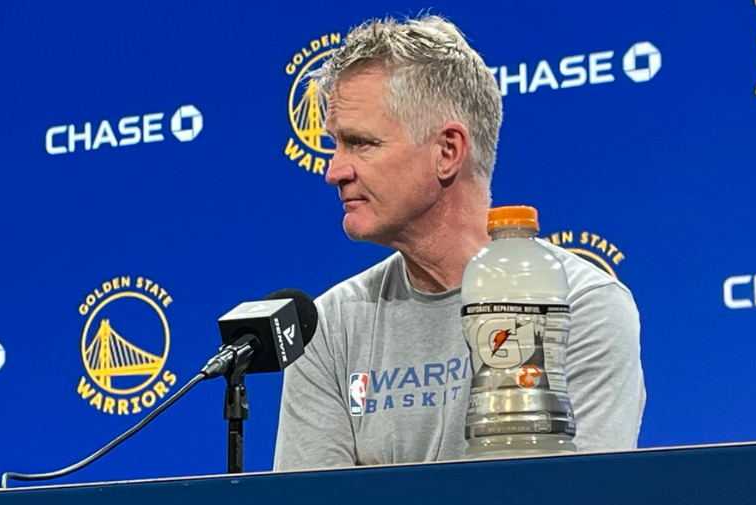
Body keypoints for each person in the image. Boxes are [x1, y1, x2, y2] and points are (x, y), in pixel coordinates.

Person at [274, 15, 645, 470]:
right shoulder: (329, 327)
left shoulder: (581, 305)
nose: (334, 171)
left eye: (361, 144)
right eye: (335, 144)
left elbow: (572, 502)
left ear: (448, 151)